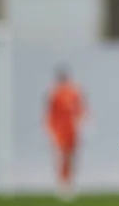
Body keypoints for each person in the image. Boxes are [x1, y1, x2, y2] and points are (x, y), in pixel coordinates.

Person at [45, 64, 87, 201]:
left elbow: (81, 110)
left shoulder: (74, 92)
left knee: (72, 157)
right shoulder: (54, 93)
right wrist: (51, 130)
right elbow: (50, 114)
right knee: (60, 156)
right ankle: (62, 184)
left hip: (72, 129)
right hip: (59, 130)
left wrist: (81, 125)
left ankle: (70, 182)